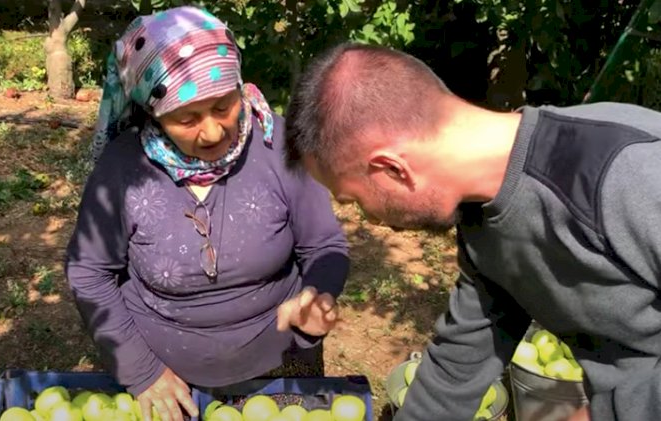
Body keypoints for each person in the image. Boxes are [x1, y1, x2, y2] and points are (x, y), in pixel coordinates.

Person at [283, 41, 661, 421]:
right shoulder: (483, 219)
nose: (370, 220)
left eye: (355, 201)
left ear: (393, 169)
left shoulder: (626, 172)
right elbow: (458, 365)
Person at [64, 7, 349, 421]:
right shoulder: (123, 169)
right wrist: (143, 372)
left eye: (224, 106)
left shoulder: (278, 145)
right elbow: (89, 271)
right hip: (169, 379)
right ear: (153, 114)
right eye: (187, 118)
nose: (214, 131)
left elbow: (324, 243)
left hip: (283, 365)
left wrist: (318, 294)